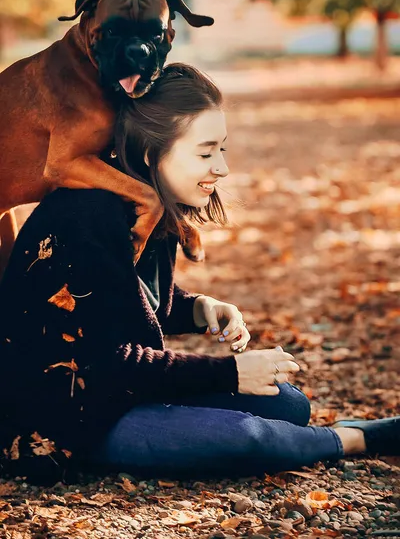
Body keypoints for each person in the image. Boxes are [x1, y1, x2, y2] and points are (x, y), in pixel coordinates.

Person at [0, 63, 398, 485]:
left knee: (288, 405)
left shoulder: (143, 205)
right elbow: (106, 361)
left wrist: (197, 308)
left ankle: (289, 435)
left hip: (121, 391)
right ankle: (350, 440)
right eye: (206, 153)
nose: (222, 168)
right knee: (248, 436)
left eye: (221, 150)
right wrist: (228, 373)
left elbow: (121, 299)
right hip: (67, 416)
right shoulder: (88, 217)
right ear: (152, 153)